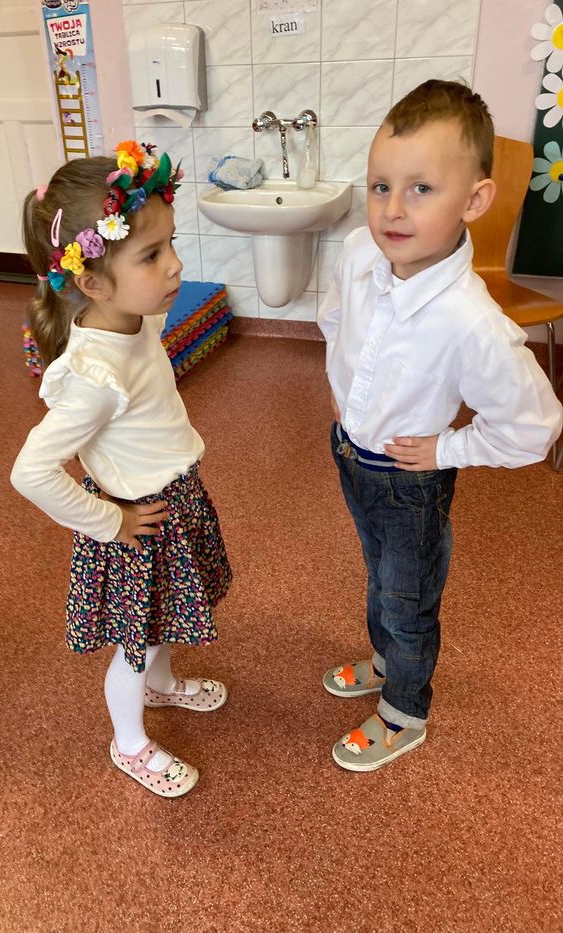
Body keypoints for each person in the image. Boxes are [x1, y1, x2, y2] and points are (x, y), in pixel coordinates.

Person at [318, 80, 563, 772]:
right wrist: (341, 394)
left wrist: (449, 447)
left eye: (421, 189)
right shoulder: (359, 253)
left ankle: (405, 709)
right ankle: (385, 661)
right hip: (351, 456)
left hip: (409, 484)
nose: (393, 209)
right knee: (379, 576)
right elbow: (333, 318)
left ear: (475, 201)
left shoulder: (471, 321)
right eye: (380, 186)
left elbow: (534, 425)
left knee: (408, 599)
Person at [11, 141, 232, 797]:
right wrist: (110, 521)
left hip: (170, 503)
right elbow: (30, 471)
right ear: (92, 282)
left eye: (170, 244)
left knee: (161, 623)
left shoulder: (135, 317)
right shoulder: (94, 377)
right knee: (134, 645)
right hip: (136, 526)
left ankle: (162, 686)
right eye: (151, 254)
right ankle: (129, 743)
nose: (175, 264)